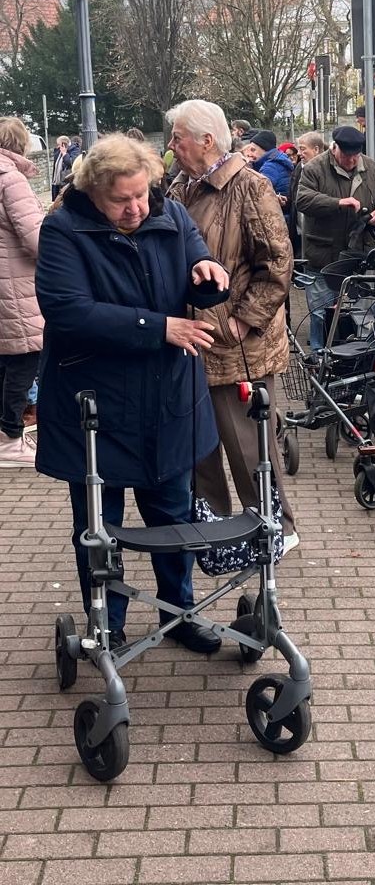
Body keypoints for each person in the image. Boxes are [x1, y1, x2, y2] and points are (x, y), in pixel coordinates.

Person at [35, 133, 229, 653]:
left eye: (141, 194)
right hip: (96, 405)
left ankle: (180, 614)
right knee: (100, 525)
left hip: (167, 400)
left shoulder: (172, 213)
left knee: (174, 517)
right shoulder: (63, 228)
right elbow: (68, 311)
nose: (136, 208)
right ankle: (107, 623)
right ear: (94, 192)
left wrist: (209, 274)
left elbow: (196, 266)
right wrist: (159, 327)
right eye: (121, 200)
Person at [166, 100, 299, 551]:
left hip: (237, 345)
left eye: (178, 137)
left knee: (247, 446)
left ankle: (275, 530)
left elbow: (277, 262)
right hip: (190, 339)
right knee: (198, 446)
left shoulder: (249, 186)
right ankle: (215, 529)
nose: (171, 145)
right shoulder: (180, 186)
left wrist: (243, 320)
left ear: (207, 140)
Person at [296, 125, 375, 349]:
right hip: (323, 256)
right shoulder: (315, 168)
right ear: (335, 149)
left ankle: (357, 359)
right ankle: (319, 357)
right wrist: (338, 203)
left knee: (360, 314)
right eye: (346, 156)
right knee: (321, 314)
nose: (351, 161)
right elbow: (302, 200)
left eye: (355, 156)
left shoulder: (370, 167)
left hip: (359, 255)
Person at [0, 118, 44, 466]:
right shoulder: (10, 178)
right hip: (15, 285)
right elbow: (36, 239)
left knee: (6, 360)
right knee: (25, 357)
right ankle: (11, 438)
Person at [287, 132, 325, 256]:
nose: (299, 153)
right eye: (298, 149)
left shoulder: (326, 170)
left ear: (316, 149)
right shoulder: (299, 168)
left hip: (319, 234)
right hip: (299, 229)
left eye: (302, 149)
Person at [246, 130, 294, 214]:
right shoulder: (278, 160)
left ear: (264, 149)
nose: (249, 154)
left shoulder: (270, 167)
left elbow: (258, 194)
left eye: (253, 150)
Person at [51, 136, 72, 201]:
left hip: (64, 183)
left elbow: (69, 163)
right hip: (56, 183)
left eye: (58, 144)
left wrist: (64, 153)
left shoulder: (71, 152)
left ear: (63, 145)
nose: (57, 147)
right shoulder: (58, 153)